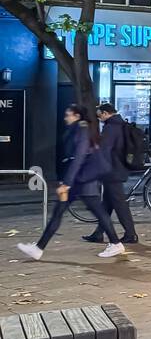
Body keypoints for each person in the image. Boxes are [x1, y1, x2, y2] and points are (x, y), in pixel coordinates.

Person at [17, 105, 126, 260]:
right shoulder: (80, 129)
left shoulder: (82, 129)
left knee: (92, 211)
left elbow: (79, 157)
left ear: (76, 115)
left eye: (68, 115)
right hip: (80, 179)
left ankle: (115, 243)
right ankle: (38, 248)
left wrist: (66, 183)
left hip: (81, 180)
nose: (65, 118)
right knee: (64, 211)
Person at [81, 100, 138, 245]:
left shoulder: (111, 127)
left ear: (106, 113)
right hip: (116, 169)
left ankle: (131, 234)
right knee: (106, 204)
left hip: (112, 171)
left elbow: (104, 150)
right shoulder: (119, 124)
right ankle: (98, 233)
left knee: (120, 204)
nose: (99, 119)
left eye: (100, 116)